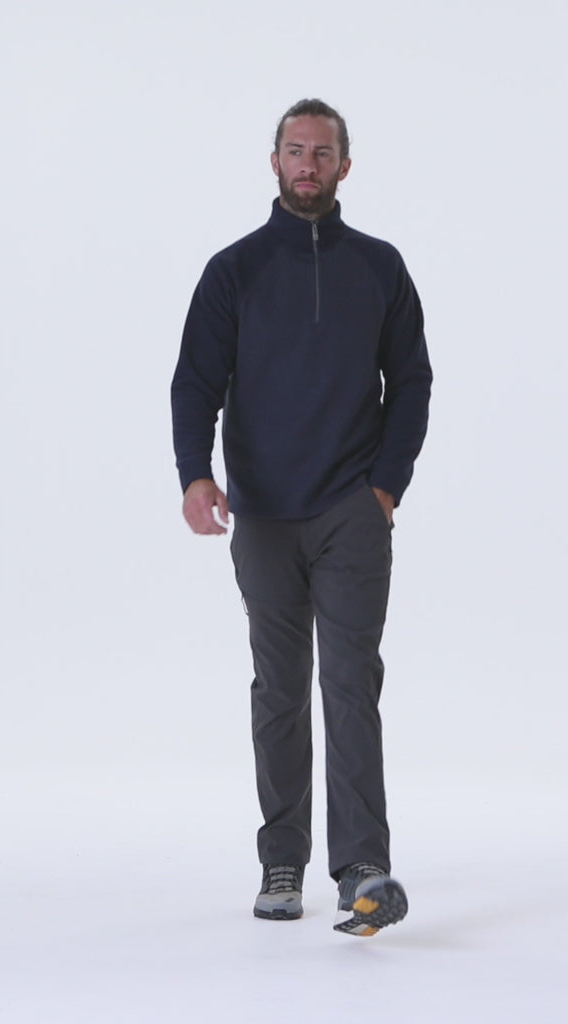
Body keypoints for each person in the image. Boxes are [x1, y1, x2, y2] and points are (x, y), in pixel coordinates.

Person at [170, 98, 432, 937]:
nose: (307, 164)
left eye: (322, 152)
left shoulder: (380, 268)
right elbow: (195, 382)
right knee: (279, 690)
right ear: (275, 161)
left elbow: (412, 381)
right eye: (294, 150)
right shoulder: (234, 271)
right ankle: (281, 858)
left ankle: (363, 870)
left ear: (344, 166)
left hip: (351, 508)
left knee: (351, 684)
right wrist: (195, 475)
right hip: (264, 516)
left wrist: (385, 488)